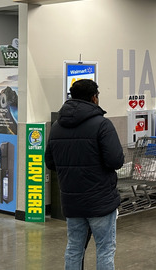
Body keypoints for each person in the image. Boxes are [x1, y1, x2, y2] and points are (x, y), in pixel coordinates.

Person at [45, 79, 125, 270]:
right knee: (105, 249)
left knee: (74, 248)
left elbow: (49, 162)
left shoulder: (57, 126)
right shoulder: (102, 125)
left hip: (72, 201)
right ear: (94, 98)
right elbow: (116, 161)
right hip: (100, 201)